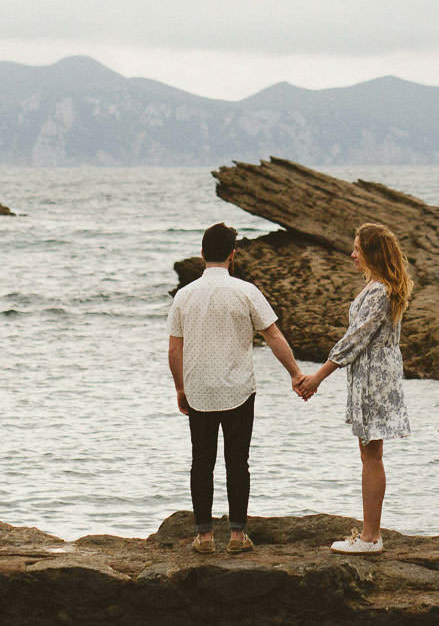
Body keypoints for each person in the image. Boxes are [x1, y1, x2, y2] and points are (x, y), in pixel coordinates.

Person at [168, 222, 306, 554]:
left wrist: (180, 388)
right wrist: (295, 374)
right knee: (237, 461)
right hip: (238, 390)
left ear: (202, 254)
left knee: (201, 461)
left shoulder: (184, 295)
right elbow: (273, 336)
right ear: (233, 255)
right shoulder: (247, 291)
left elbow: (174, 349)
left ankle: (203, 536)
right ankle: (236, 535)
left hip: (199, 388)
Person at [296, 222, 413, 555]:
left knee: (371, 455)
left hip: (375, 375)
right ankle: (369, 532)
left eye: (358, 249)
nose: (352, 254)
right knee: (369, 453)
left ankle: (370, 537)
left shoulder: (379, 291)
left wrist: (318, 377)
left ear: (372, 252)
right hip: (373, 372)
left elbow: (356, 339)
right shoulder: (381, 286)